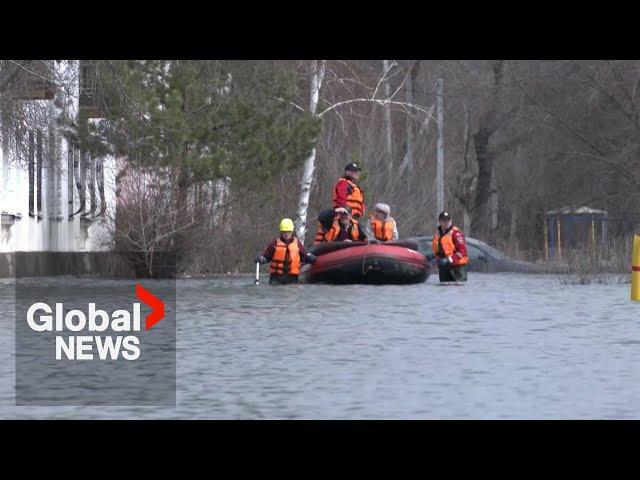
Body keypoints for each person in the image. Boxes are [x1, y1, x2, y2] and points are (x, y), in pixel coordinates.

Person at [255, 218, 317, 284]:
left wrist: (310, 258)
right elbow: (267, 257)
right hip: (276, 278)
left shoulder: (297, 244)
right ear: (281, 232)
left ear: (292, 232)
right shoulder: (275, 244)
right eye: (284, 232)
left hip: (292, 278)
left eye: (288, 232)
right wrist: (261, 259)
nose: (286, 234)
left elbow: (304, 257)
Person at [426, 211, 468, 283]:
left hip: (457, 268)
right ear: (439, 222)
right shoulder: (438, 235)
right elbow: (441, 251)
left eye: (448, 220)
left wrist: (449, 259)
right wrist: (432, 255)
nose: (446, 222)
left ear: (451, 221)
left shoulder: (456, 233)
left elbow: (462, 251)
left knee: (458, 289)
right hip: (444, 268)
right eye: (444, 220)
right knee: (443, 289)